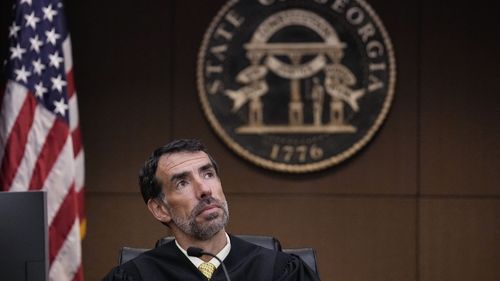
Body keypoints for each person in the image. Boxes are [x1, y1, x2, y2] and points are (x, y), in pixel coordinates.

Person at [102, 139, 321, 281]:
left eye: (208, 174)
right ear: (160, 209)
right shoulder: (134, 277)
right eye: (182, 183)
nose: (205, 189)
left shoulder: (280, 272)